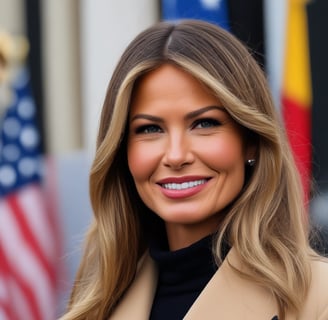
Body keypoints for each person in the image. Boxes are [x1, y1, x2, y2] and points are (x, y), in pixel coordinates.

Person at [60, 20, 328, 320]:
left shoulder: (317, 298)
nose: (176, 155)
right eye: (150, 128)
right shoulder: (96, 304)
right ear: (122, 151)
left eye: (204, 124)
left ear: (251, 142)